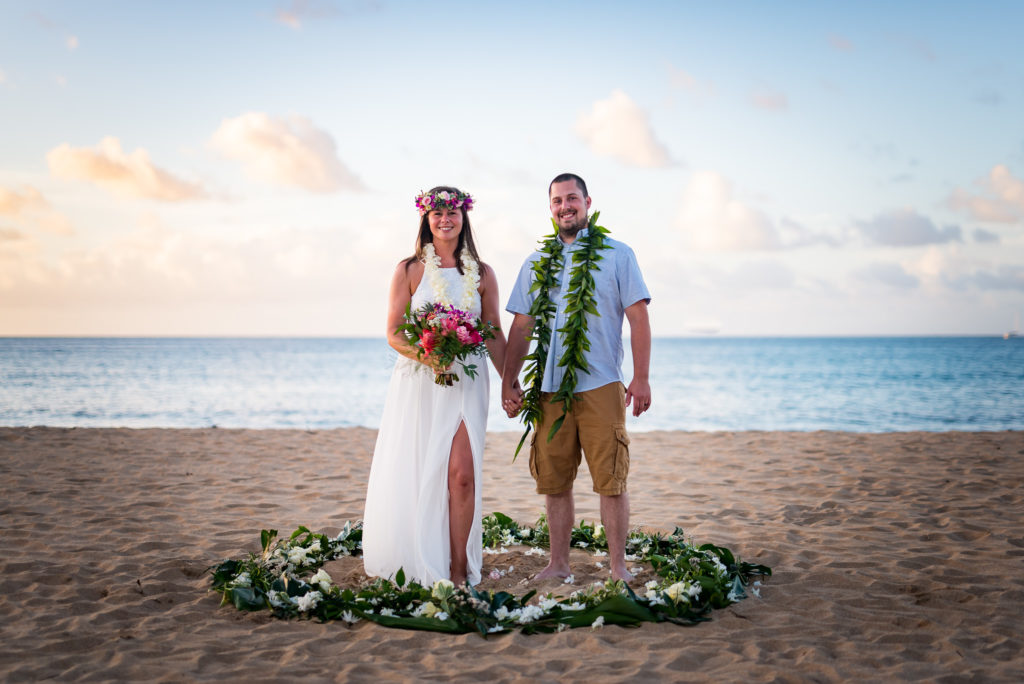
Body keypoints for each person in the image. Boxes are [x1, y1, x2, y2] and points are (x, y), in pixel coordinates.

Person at [502, 173, 651, 582]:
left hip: (602, 384)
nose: (565, 206)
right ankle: (559, 564)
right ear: (550, 208)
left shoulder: (618, 255)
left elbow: (638, 317)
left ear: (587, 202)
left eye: (572, 198)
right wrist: (508, 380)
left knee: (611, 479)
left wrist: (641, 378)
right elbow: (521, 327)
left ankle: (618, 567)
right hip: (550, 390)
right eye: (557, 201)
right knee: (553, 481)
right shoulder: (536, 264)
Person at [363, 186, 508, 587]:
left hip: (467, 383)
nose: (446, 219)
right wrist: (430, 354)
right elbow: (393, 333)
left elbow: (493, 331)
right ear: (426, 219)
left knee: (462, 475)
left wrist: (510, 382)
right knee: (421, 471)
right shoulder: (409, 270)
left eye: (453, 212)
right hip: (421, 384)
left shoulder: (483, 273)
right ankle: (422, 556)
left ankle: (459, 569)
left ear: (465, 217)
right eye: (437, 212)